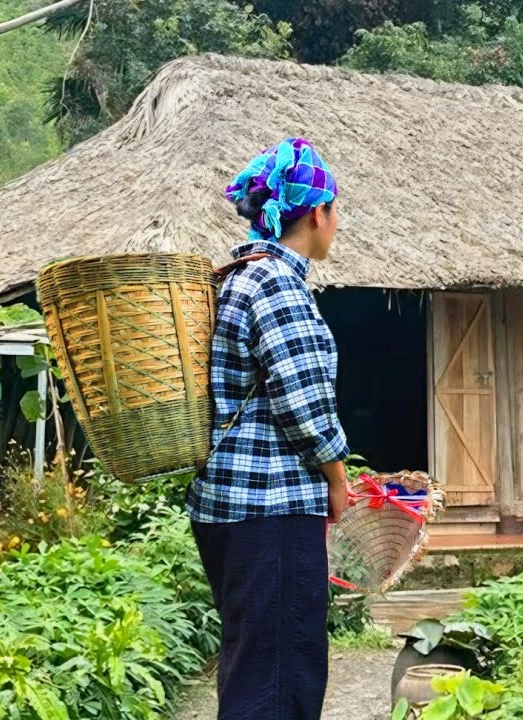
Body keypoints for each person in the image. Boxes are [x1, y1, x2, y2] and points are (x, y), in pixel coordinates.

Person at [186, 137, 350, 720]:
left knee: (253, 661)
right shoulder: (277, 284)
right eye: (335, 212)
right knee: (281, 677)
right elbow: (303, 403)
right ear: (315, 213)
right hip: (271, 506)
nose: (336, 225)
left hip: (229, 505)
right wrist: (337, 476)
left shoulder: (235, 275)